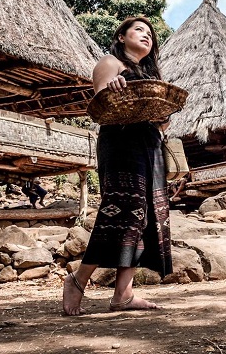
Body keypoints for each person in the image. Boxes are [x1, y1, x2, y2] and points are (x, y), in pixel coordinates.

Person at [62, 16, 172, 315]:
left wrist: (164, 115)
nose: (146, 35)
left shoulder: (150, 73)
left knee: (145, 216)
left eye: (150, 33)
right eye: (139, 30)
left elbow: (162, 121)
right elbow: (100, 108)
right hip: (121, 143)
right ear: (121, 36)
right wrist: (111, 91)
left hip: (149, 146)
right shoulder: (110, 63)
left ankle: (123, 294)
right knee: (121, 211)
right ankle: (78, 279)